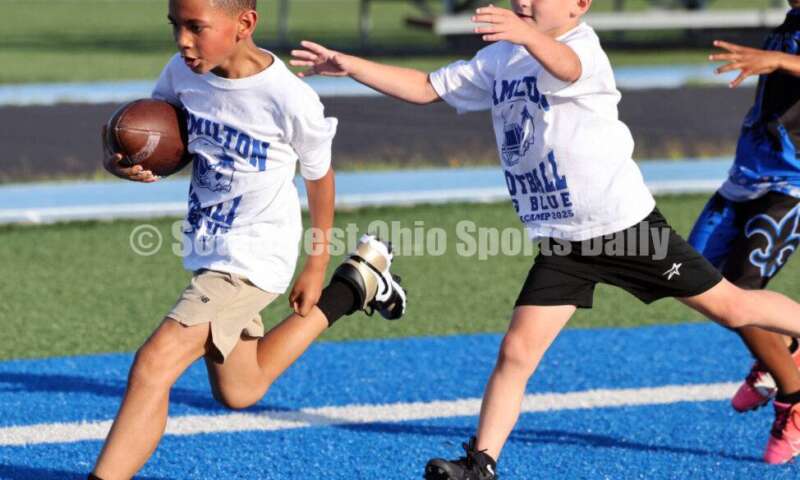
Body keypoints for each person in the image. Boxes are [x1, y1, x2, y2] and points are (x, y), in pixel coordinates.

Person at [291, 0, 800, 477]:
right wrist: (352, 65)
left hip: (625, 230)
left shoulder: (582, 48)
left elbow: (565, 66)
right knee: (516, 352)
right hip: (563, 241)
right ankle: (480, 463)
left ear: (580, 3)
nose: (525, 2)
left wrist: (526, 36)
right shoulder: (501, 58)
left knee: (733, 308)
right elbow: (426, 86)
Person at [90, 0, 406, 478]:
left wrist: (315, 265)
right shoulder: (181, 72)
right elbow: (160, 133)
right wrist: (125, 159)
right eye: (176, 26)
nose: (182, 40)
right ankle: (357, 284)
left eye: (196, 27)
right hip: (210, 247)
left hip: (251, 256)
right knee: (241, 389)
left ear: (245, 24)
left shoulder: (287, 97)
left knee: (154, 365)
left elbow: (320, 179)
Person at [688, 2, 800, 464]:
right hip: (747, 175)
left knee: (741, 292)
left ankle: (793, 397)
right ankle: (785, 349)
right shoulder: (791, 21)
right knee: (698, 281)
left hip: (793, 182)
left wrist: (776, 61)